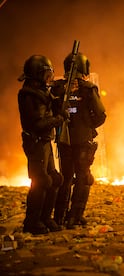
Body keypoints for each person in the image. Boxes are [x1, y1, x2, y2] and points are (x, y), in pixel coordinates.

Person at [52, 52, 106, 229]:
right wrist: (88, 126)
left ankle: (59, 217)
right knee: (83, 177)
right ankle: (75, 217)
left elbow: (51, 111)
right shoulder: (88, 88)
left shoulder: (56, 88)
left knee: (65, 177)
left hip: (63, 140)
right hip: (83, 140)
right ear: (85, 68)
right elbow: (100, 115)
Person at [17, 55, 65, 234]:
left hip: (45, 141)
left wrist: (59, 102)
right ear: (38, 74)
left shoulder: (43, 92)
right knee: (41, 181)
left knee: (55, 179)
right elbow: (37, 124)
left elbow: (51, 108)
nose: (49, 77)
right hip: (35, 142)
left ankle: (45, 218)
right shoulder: (28, 94)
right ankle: (32, 221)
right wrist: (58, 120)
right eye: (46, 74)